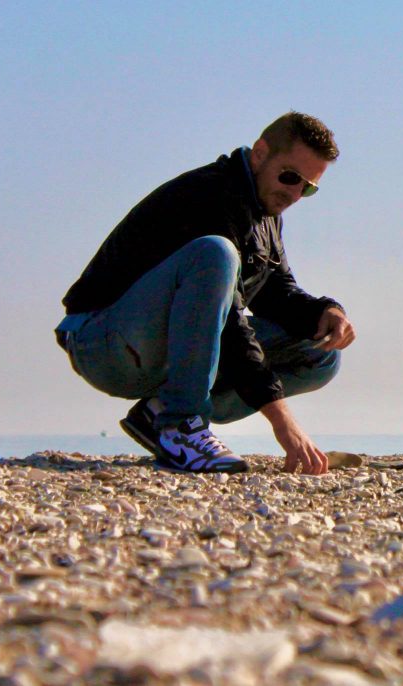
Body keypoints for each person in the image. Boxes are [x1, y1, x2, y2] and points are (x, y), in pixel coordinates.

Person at [55, 112, 354, 476]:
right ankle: (182, 425)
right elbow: (227, 321)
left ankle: (159, 414)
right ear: (260, 153)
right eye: (290, 177)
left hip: (162, 349)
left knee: (319, 353)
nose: (294, 194)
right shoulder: (210, 194)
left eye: (306, 187)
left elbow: (275, 291)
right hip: (103, 341)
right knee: (216, 252)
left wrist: (327, 312)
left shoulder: (265, 209)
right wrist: (281, 421)